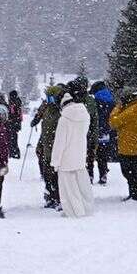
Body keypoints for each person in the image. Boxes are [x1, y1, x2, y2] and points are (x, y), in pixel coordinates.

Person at [51, 80, 95, 217]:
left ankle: (73, 211)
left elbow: (59, 143)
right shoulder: (85, 115)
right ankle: (86, 209)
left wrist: (55, 161)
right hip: (80, 155)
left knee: (68, 189)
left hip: (66, 159)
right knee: (82, 186)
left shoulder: (64, 119)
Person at [109, 87, 137, 199]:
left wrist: (118, 107)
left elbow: (113, 122)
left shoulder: (134, 109)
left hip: (129, 146)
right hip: (135, 144)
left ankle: (135, 194)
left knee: (130, 172)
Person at [32, 85, 62, 208]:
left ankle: (57, 197)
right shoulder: (47, 107)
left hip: (56, 146)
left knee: (55, 174)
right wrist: (35, 119)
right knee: (47, 172)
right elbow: (40, 114)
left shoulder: (62, 110)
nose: (50, 101)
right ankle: (50, 195)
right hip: (45, 143)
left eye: (51, 98)